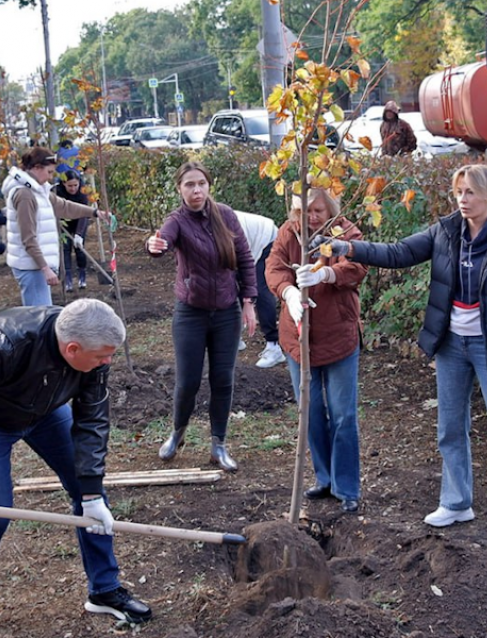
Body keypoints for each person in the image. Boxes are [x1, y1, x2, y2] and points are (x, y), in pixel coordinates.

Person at [310, 164, 487, 540]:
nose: (463, 200)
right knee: (450, 427)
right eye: (458, 192)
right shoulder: (446, 230)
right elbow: (399, 252)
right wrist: (347, 247)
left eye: (470, 192)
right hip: (451, 344)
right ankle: (456, 502)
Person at [0, 299, 152, 638]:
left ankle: (104, 589)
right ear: (72, 348)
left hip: (45, 414)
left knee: (92, 499)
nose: (108, 362)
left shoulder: (93, 350)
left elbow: (92, 421)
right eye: (102, 356)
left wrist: (90, 490)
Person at [145, 161, 257, 472]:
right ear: (180, 190)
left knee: (223, 380)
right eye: (189, 185)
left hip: (226, 312)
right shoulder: (177, 221)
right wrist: (153, 245)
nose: (196, 190)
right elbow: (161, 242)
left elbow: (245, 258)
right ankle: (177, 433)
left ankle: (218, 445)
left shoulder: (225, 215)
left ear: (209, 186)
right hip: (190, 313)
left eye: (201, 184)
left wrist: (248, 301)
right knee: (188, 381)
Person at [265, 188, 368, 513]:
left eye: (318, 211)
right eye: (304, 212)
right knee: (310, 412)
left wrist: (328, 273)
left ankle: (346, 486)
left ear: (331, 209)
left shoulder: (345, 232)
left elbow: (357, 267)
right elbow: (273, 266)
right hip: (298, 339)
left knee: (343, 415)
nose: (310, 218)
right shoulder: (289, 232)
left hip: (338, 337)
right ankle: (323, 478)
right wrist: (289, 292)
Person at [1, 147, 106, 306]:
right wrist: (45, 268)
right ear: (37, 167)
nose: (51, 177)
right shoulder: (25, 195)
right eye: (49, 172)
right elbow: (28, 238)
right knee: (39, 317)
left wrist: (95, 213)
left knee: (41, 315)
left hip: (35, 265)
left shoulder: (37, 190)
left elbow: (63, 206)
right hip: (31, 267)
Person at [234, 210, 285, 368]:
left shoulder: (226, 225)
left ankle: (274, 346)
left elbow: (244, 262)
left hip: (266, 238)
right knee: (232, 285)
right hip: (249, 242)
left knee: (260, 290)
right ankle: (234, 337)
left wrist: (248, 299)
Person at [54, 170, 90, 292]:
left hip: (79, 220)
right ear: (64, 183)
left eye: (75, 185)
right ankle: (67, 279)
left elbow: (84, 213)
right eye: (70, 186)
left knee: (79, 249)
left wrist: (79, 234)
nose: (73, 188)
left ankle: (82, 276)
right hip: (63, 222)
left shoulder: (83, 193)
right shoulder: (57, 192)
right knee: (65, 249)